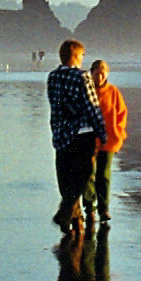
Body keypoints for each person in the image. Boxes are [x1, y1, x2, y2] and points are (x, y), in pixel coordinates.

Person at [46, 39, 105, 236]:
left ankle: (73, 219)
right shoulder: (83, 76)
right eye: (81, 56)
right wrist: (101, 131)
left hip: (61, 133)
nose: (82, 60)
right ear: (76, 57)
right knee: (83, 174)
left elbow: (55, 104)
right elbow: (92, 105)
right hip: (82, 133)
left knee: (65, 176)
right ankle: (66, 212)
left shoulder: (53, 77)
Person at [81, 59, 128, 226]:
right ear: (91, 73)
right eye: (96, 73)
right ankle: (89, 208)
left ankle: (104, 209)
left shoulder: (113, 92)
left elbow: (122, 114)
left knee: (104, 175)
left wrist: (119, 134)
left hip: (109, 140)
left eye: (102, 74)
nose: (99, 77)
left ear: (106, 74)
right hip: (88, 139)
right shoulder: (86, 91)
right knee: (88, 175)